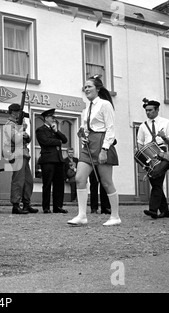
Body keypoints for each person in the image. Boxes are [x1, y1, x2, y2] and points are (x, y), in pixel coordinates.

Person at [67, 75, 121, 226]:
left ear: (98, 89)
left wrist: (104, 149)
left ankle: (115, 216)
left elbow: (110, 129)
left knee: (106, 181)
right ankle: (82, 215)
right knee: (79, 178)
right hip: (88, 144)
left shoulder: (105, 104)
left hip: (102, 143)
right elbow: (86, 126)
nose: (86, 89)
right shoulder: (88, 107)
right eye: (84, 87)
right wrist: (82, 133)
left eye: (89, 86)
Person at [137, 98, 169, 219]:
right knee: (156, 183)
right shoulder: (143, 126)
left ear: (157, 110)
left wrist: (164, 137)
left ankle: (153, 210)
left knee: (157, 181)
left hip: (161, 153)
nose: (148, 113)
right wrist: (142, 156)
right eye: (146, 111)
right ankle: (165, 211)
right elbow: (140, 143)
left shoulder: (166, 122)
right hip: (149, 154)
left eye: (150, 110)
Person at [2, 103, 36, 214]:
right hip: (16, 154)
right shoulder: (9, 124)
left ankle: (27, 204)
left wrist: (25, 133)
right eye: (17, 112)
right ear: (13, 112)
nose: (19, 114)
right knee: (18, 181)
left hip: (24, 154)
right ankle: (16, 205)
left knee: (28, 181)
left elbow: (27, 139)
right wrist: (22, 132)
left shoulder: (18, 124)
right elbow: (15, 138)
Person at [36, 108, 68, 214]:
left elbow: (64, 140)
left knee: (59, 184)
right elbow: (45, 141)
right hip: (48, 160)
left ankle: (58, 206)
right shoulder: (40, 130)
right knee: (47, 184)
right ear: (46, 118)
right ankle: (46, 207)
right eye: (51, 117)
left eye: (54, 117)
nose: (53, 119)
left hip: (58, 160)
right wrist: (57, 141)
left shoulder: (54, 130)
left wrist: (56, 131)